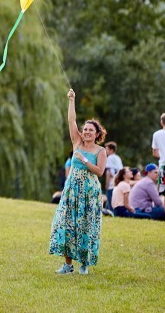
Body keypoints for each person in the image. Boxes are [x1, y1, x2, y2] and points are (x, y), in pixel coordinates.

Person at [49, 89, 107, 275]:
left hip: (89, 192)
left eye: (91, 130)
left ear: (97, 133)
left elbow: (99, 171)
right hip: (71, 190)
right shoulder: (77, 143)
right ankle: (68, 265)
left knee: (85, 226)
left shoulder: (100, 151)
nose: (87, 132)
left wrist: (84, 160)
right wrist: (71, 100)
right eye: (85, 129)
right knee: (65, 224)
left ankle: (84, 263)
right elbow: (71, 121)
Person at [104, 142, 123, 211]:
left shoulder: (110, 158)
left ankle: (110, 212)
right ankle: (107, 211)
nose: (105, 151)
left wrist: (107, 184)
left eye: (107, 149)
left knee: (110, 200)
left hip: (112, 183)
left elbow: (109, 172)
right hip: (119, 182)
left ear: (111, 150)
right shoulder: (118, 158)